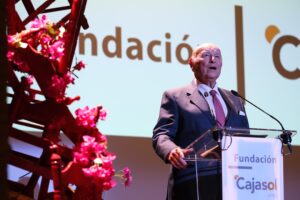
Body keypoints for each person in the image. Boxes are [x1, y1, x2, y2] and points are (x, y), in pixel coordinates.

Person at [152, 43, 249, 200]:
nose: (212, 59)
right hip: (192, 183)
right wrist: (172, 150)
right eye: (205, 55)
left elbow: (245, 138)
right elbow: (161, 135)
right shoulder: (175, 96)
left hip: (234, 184)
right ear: (191, 63)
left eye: (217, 56)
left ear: (221, 64)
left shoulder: (235, 99)